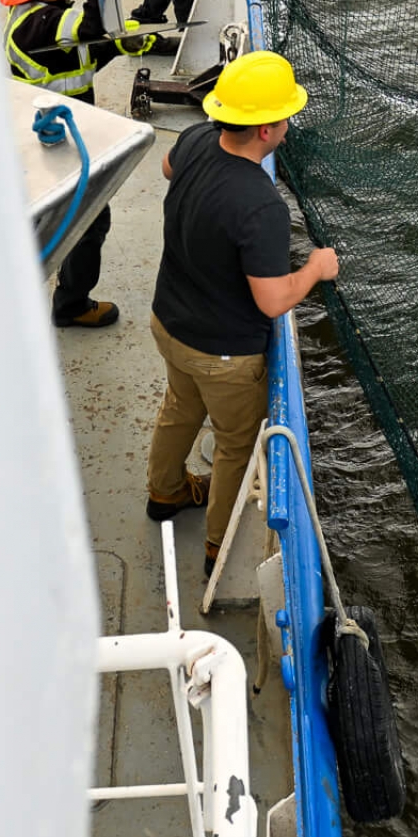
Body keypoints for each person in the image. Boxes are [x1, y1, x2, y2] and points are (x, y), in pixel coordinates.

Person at [143, 50, 339, 578]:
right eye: (286, 117)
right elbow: (273, 300)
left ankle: (163, 494)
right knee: (233, 445)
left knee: (179, 408)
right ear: (267, 130)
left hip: (169, 322)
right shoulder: (260, 205)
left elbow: (167, 169)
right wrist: (316, 268)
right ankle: (216, 547)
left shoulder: (195, 139)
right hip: (223, 354)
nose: (289, 124)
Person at [0, 0, 152, 328]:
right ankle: (71, 304)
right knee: (89, 217)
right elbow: (92, 24)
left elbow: (77, 58)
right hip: (58, 135)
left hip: (52, 126)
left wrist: (118, 46)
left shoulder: (35, 21)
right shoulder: (39, 25)